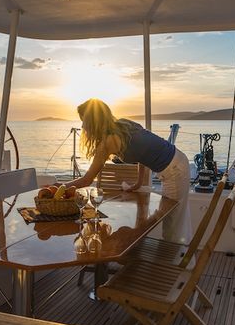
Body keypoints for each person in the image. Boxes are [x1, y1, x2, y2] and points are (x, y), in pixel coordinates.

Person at [62, 98, 192, 243]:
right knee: (175, 218)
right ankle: (179, 258)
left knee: (173, 225)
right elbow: (143, 153)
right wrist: (137, 183)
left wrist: (60, 187)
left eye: (83, 121)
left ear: (92, 121)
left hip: (174, 170)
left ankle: (177, 262)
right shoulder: (124, 124)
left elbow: (87, 179)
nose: (83, 125)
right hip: (177, 162)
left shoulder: (107, 142)